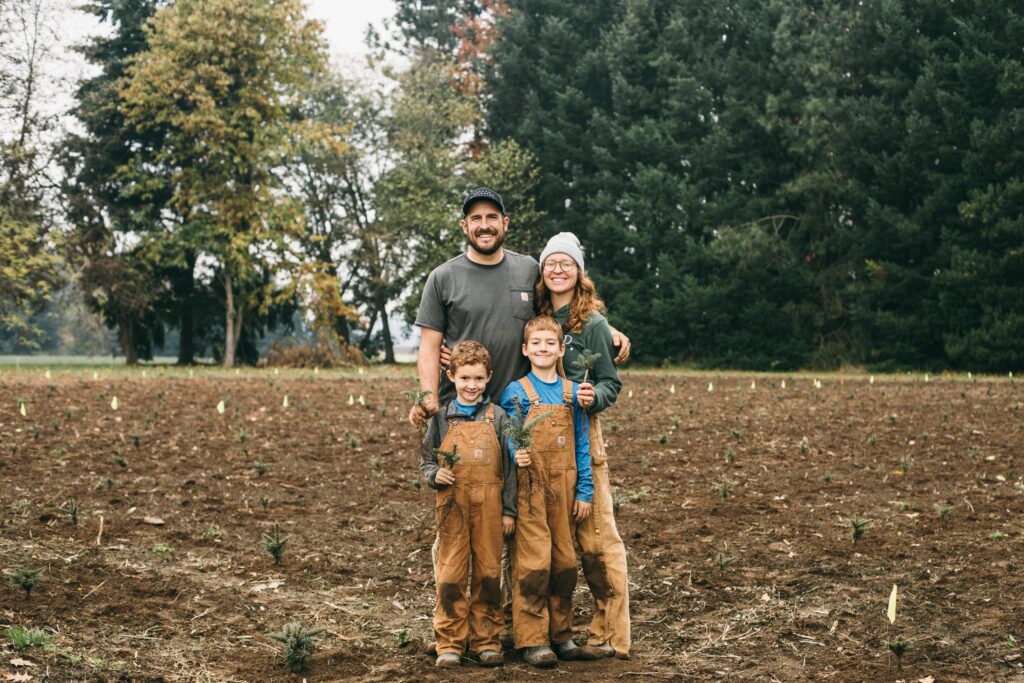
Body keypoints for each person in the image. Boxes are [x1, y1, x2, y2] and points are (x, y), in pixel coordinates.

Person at [409, 187, 630, 427]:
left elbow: (563, 302)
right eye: (476, 218)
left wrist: (607, 328)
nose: (485, 225)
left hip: (521, 411)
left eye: (492, 217)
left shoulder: (528, 269)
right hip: (462, 409)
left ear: (505, 223)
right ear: (464, 225)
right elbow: (429, 348)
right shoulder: (442, 277)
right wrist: (428, 398)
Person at [535, 232, 630, 660]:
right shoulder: (533, 315)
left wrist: (595, 397)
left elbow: (611, 382)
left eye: (566, 263)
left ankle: (610, 633)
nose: (558, 269)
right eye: (551, 263)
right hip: (537, 436)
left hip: (580, 434)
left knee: (594, 540)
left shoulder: (591, 324)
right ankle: (533, 630)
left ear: (578, 272)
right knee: (538, 538)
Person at [499, 316, 593, 668]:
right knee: (534, 564)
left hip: (566, 489)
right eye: (535, 343)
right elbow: (509, 433)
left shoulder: (573, 393)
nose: (542, 348)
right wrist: (515, 451)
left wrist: (585, 489)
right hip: (531, 491)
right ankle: (532, 639)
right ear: (525, 349)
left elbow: (581, 442)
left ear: (560, 349)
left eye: (550, 343)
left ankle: (562, 634)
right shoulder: (516, 392)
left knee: (566, 564)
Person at [420, 341, 517, 668]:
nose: (471, 386)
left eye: (478, 378)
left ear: (488, 377)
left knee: (490, 575)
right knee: (451, 575)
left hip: (491, 508)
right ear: (451, 376)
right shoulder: (442, 418)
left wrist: (509, 510)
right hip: (453, 509)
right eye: (464, 379)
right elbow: (426, 462)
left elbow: (509, 468)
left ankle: (486, 641)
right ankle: (449, 642)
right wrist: (436, 475)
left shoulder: (498, 417)